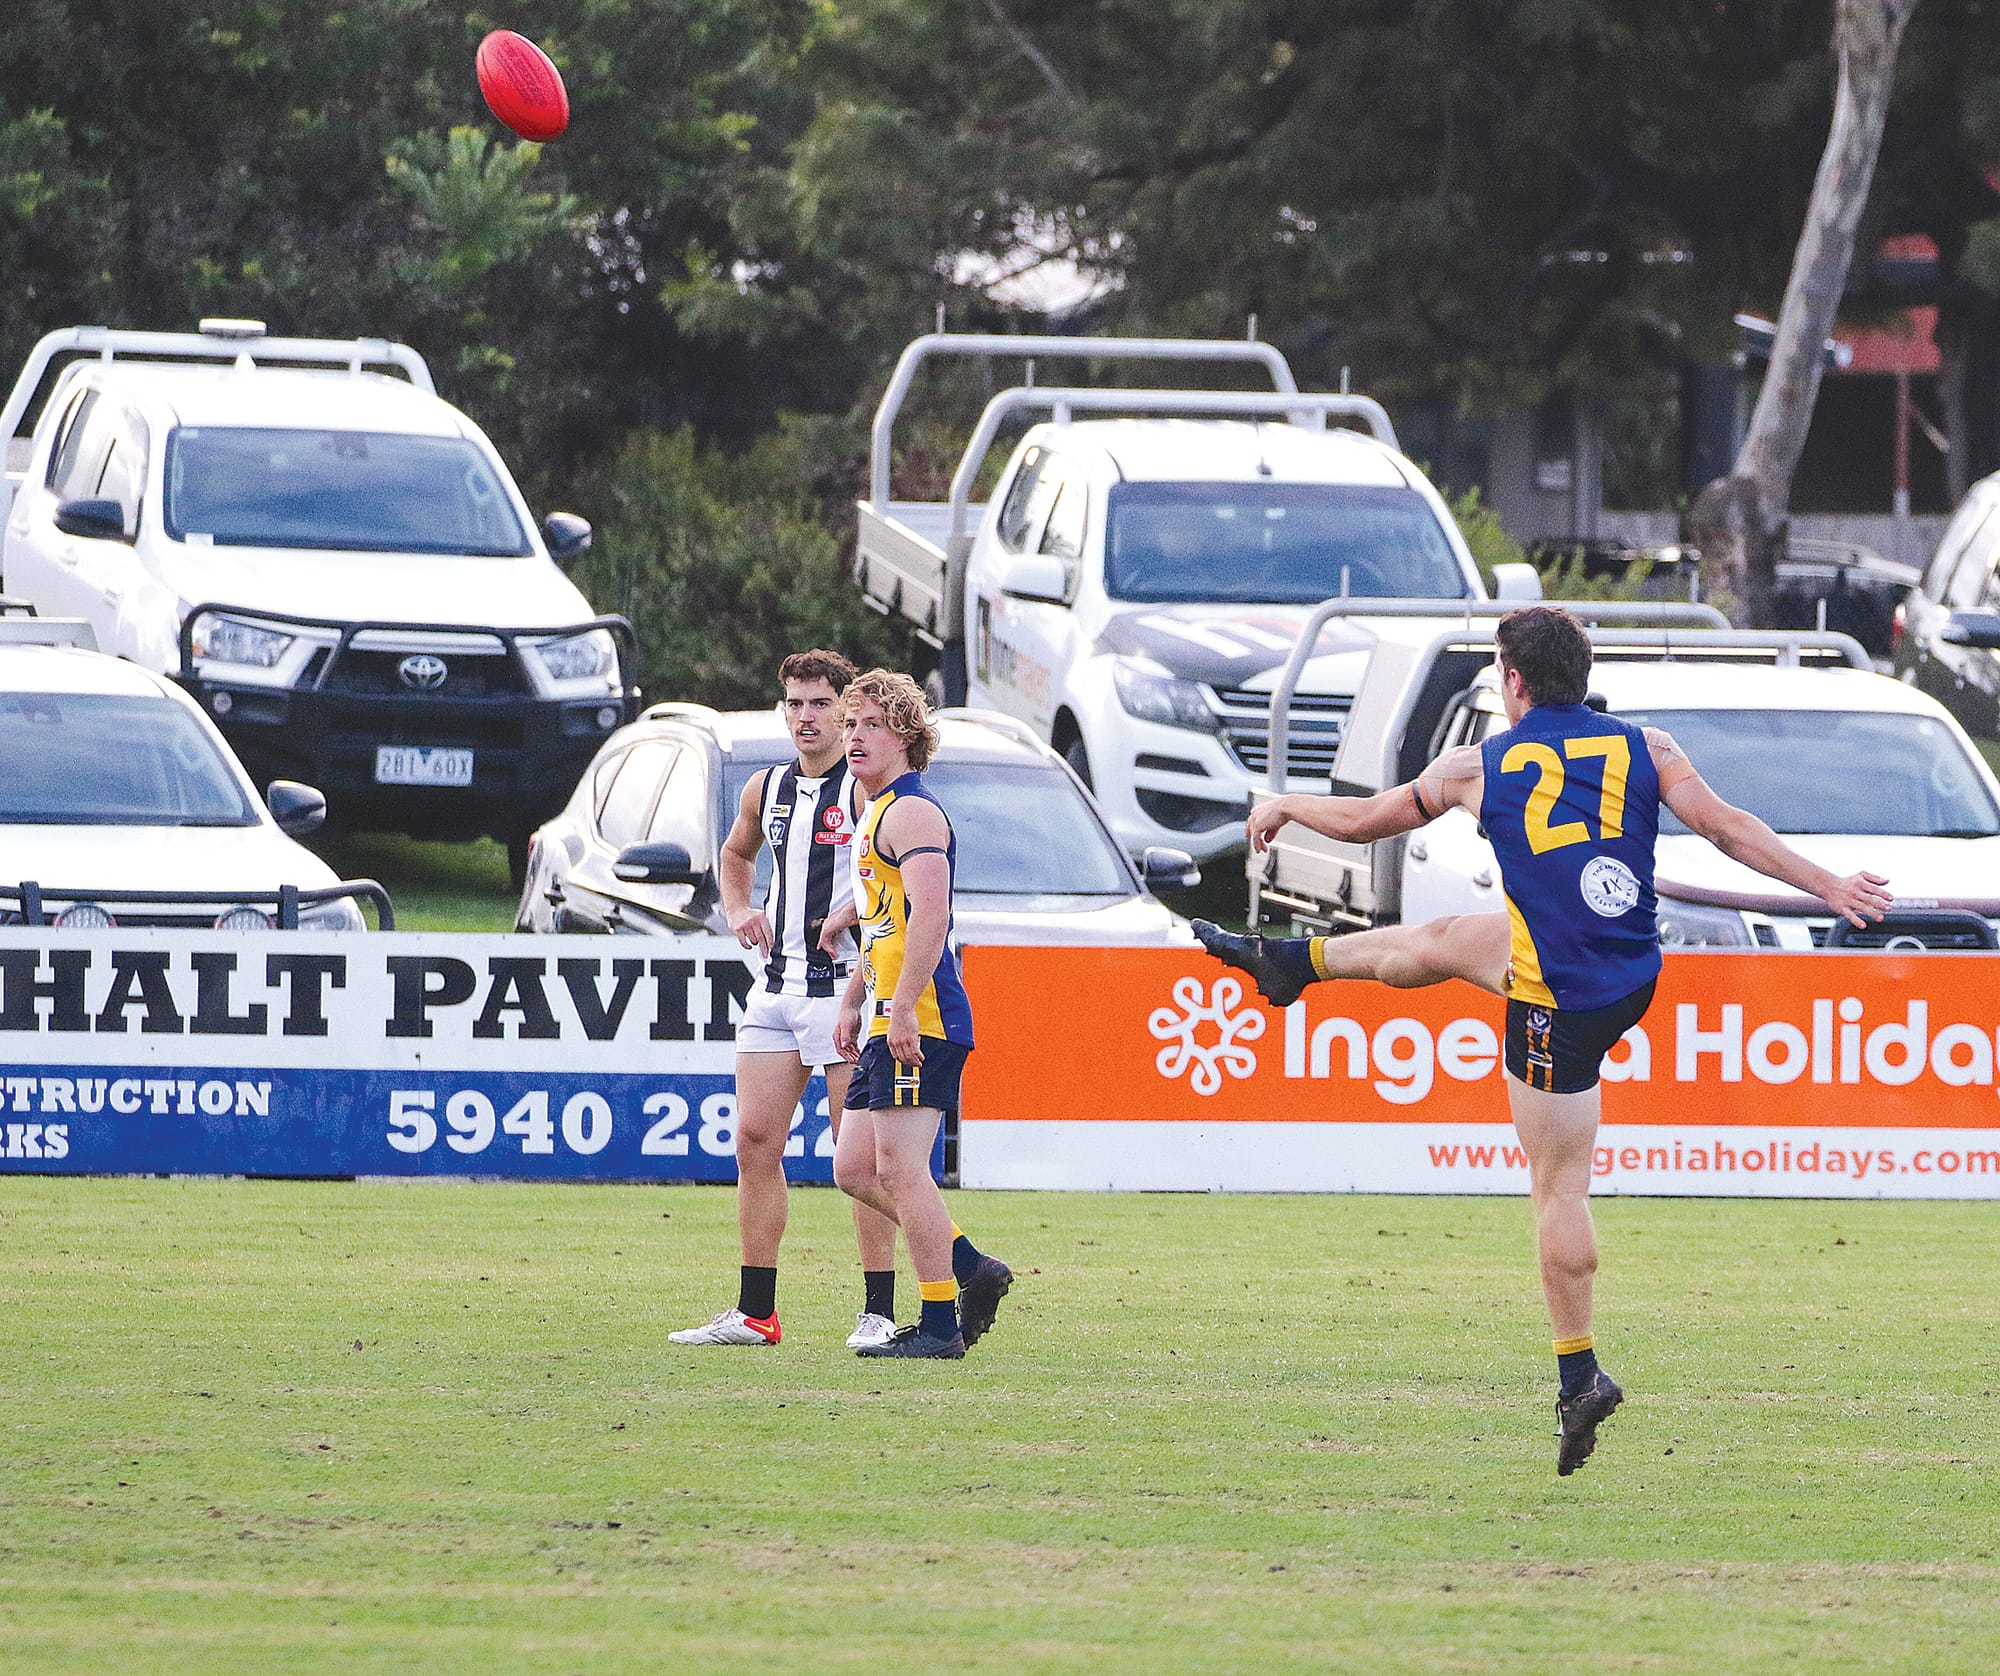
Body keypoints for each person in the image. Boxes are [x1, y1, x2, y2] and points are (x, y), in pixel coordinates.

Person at [1194, 606, 1892, 1474]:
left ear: (1514, 681)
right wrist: (1828, 884)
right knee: (1446, 940)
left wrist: (1286, 804)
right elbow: (1727, 827)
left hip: (1555, 1003)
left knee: (1557, 1184)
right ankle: (1290, 964)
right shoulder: (1648, 747)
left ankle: (1579, 1375)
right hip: (1627, 974)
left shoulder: (1477, 765)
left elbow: (1368, 820)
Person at [669, 650, 903, 1351]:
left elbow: (901, 876)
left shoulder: (866, 790)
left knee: (858, 1163)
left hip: (845, 990)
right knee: (753, 1141)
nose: (806, 717)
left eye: (821, 705)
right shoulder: (766, 787)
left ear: (846, 712)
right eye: (795, 704)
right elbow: (734, 854)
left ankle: (880, 1310)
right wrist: (739, 907)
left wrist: (853, 914)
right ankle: (756, 1313)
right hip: (775, 989)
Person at [831, 669, 1012, 1359]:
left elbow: (931, 915)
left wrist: (903, 1006)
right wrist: (857, 998)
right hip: (890, 1012)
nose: (856, 737)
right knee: (855, 1169)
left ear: (906, 735)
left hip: (923, 1015)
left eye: (872, 725)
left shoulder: (911, 812)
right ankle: (971, 1267)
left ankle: (939, 1323)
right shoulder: (875, 810)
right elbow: (886, 925)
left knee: (902, 1171)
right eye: (852, 724)